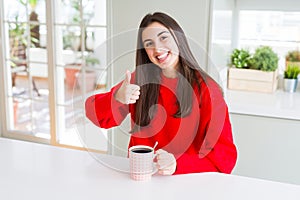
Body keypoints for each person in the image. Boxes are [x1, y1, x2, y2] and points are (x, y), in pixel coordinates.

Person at [85, 12, 237, 175]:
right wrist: (117, 98)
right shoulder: (139, 80)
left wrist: (178, 164)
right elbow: (96, 115)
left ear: (178, 38)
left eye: (163, 38)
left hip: (187, 182)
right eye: (149, 43)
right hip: (141, 178)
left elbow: (225, 158)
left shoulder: (207, 90)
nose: (157, 48)